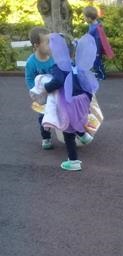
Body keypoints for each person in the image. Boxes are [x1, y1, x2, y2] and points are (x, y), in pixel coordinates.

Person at [37, 33, 98, 171]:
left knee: (68, 132)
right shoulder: (75, 64)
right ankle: (84, 136)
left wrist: (45, 88)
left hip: (69, 102)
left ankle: (73, 161)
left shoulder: (59, 66)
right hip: (83, 99)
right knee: (78, 119)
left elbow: (58, 81)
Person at [24, 27, 55, 150]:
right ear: (37, 45)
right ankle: (46, 137)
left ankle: (68, 135)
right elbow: (29, 79)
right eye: (47, 42)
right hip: (42, 95)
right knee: (44, 117)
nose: (51, 45)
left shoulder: (53, 57)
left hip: (55, 92)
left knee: (62, 112)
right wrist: (35, 92)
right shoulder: (31, 62)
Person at [83, 6, 114, 80]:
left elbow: (97, 39)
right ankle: (98, 73)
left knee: (97, 62)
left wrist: (96, 51)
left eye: (84, 17)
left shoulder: (95, 28)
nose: (84, 18)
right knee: (95, 62)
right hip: (93, 48)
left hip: (96, 49)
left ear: (89, 18)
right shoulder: (93, 25)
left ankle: (102, 75)